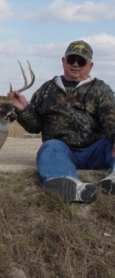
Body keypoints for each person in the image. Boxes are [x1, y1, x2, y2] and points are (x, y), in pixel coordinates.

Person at [13, 40, 115, 203]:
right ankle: (68, 185)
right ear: (63, 61)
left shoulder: (101, 89)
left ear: (90, 65)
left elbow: (111, 118)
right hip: (62, 151)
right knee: (49, 147)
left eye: (81, 61)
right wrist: (24, 109)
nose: (75, 65)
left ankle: (112, 182)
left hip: (95, 150)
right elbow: (35, 127)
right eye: (71, 60)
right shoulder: (46, 90)